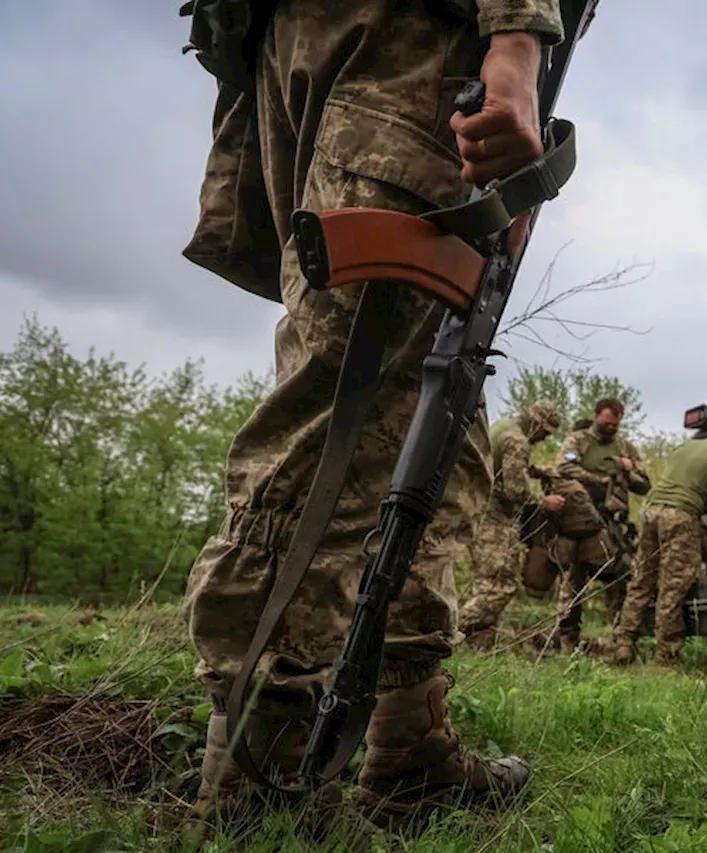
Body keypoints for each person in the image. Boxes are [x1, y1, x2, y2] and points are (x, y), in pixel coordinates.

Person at [176, 0, 571, 835]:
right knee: (349, 407)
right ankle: (259, 776)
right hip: (407, 48)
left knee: (429, 406)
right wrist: (517, 40)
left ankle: (408, 740)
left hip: (326, 45)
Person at [612, 416, 707, 667]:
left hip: (650, 511)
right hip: (680, 516)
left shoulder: (685, 447)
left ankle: (623, 643)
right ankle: (666, 657)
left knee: (641, 580)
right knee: (672, 587)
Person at [458, 400, 565, 650]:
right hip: (494, 516)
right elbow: (515, 490)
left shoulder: (504, 426)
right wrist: (543, 502)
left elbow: (500, 465)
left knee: (487, 581)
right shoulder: (518, 441)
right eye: (545, 432)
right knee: (500, 586)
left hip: (476, 507)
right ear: (536, 424)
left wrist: (535, 471)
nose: (544, 438)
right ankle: (451, 632)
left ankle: (476, 646)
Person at [551, 398, 650, 651]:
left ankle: (621, 641)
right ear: (596, 416)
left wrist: (628, 472)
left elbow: (644, 485)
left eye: (615, 425)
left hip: (612, 523)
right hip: (580, 523)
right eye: (607, 423)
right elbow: (563, 467)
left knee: (620, 578)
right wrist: (598, 480)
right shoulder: (579, 441)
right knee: (574, 581)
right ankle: (567, 642)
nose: (611, 429)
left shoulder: (625, 448)